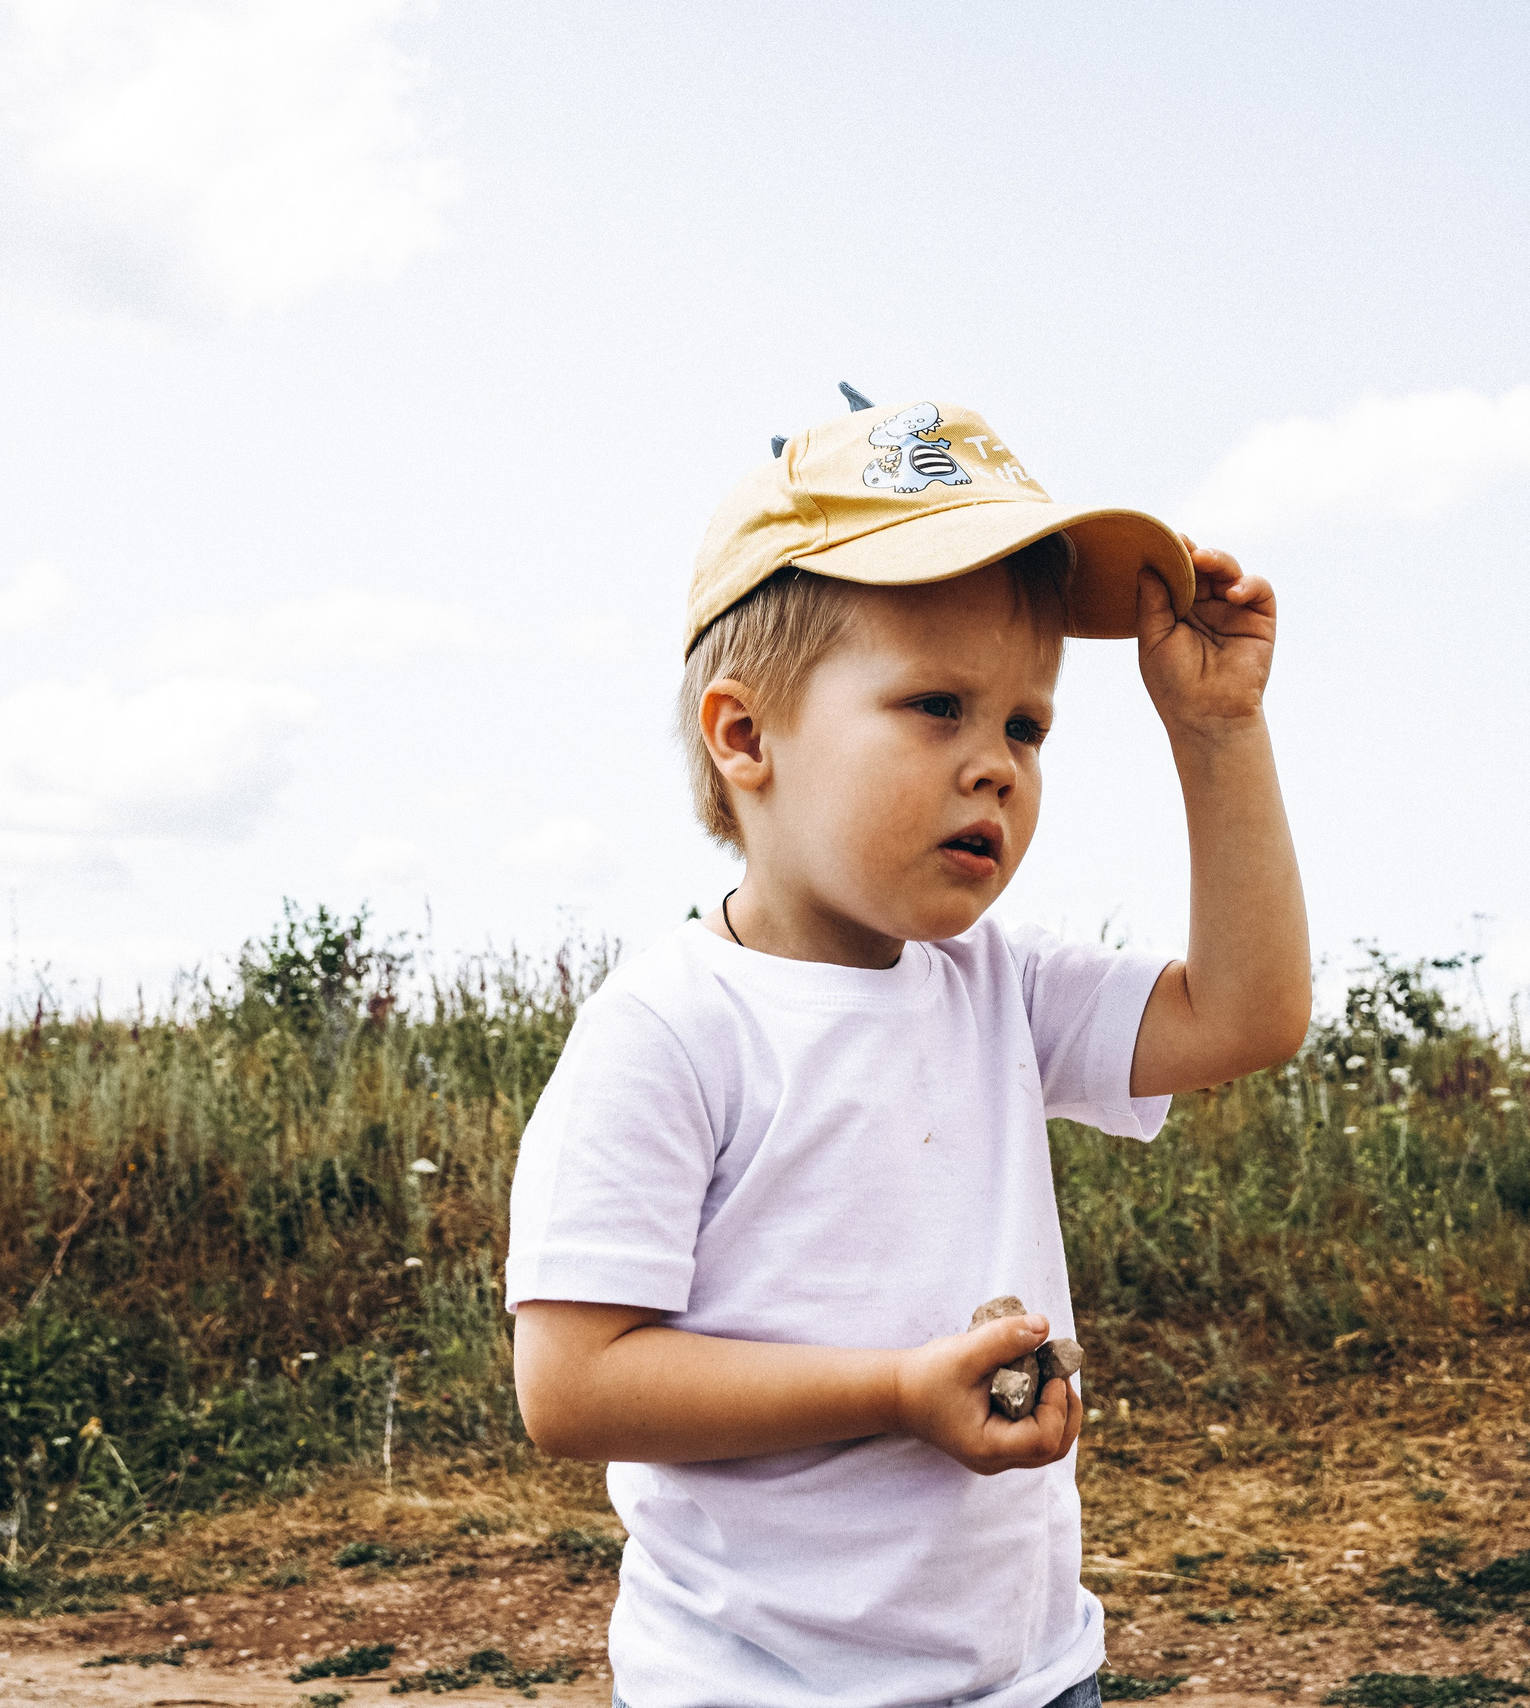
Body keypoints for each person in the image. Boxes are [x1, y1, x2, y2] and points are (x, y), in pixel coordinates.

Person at [506, 390, 1310, 1708]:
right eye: (937, 705)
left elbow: (1247, 1016)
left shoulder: (992, 985)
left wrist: (1218, 730)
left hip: (1038, 1677)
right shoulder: (670, 1029)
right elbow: (575, 1385)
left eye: (1026, 725)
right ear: (745, 735)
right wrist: (893, 1391)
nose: (996, 766)